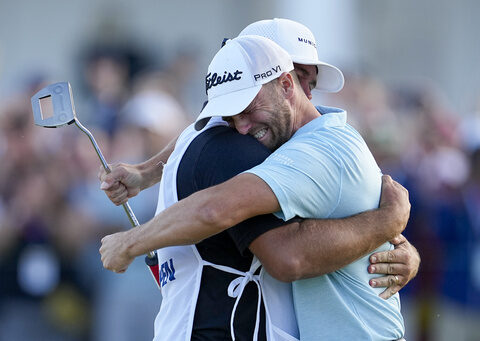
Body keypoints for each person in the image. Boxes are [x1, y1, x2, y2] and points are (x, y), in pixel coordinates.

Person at [100, 33, 411, 340]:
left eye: (248, 109)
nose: (242, 128)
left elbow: (218, 211)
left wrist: (129, 244)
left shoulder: (316, 150)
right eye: (232, 117)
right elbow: (207, 138)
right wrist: (146, 173)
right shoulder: (302, 142)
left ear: (287, 84)